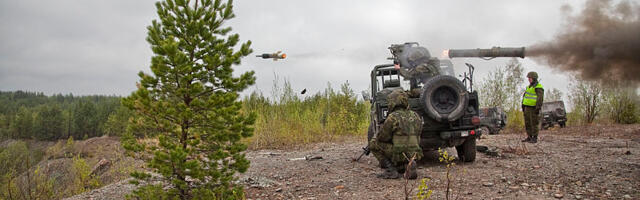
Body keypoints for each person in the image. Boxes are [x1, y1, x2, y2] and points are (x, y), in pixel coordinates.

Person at [369, 89, 423, 179]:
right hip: (415, 154)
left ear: (393, 102)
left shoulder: (392, 117)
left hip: (399, 153)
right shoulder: (415, 115)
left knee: (374, 143)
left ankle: (391, 170)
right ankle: (407, 164)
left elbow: (382, 138)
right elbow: (419, 134)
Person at [522, 71, 544, 143]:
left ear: (534, 78)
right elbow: (525, 97)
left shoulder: (538, 87)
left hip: (533, 108)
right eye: (528, 78)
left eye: (530, 78)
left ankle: (534, 138)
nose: (529, 79)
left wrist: (538, 108)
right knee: (527, 123)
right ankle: (529, 136)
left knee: (534, 123)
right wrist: (523, 105)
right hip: (527, 107)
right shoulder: (528, 87)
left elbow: (540, 99)